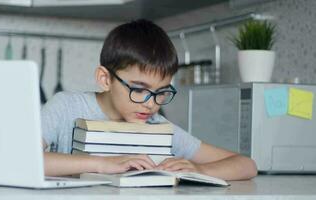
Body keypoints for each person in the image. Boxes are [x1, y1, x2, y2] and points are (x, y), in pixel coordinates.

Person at [41, 19, 257, 180]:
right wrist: (102, 164)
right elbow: (20, 158)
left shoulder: (159, 128)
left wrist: (200, 170)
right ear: (105, 79)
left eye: (161, 92)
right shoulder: (67, 106)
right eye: (139, 89)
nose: (151, 104)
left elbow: (246, 165)